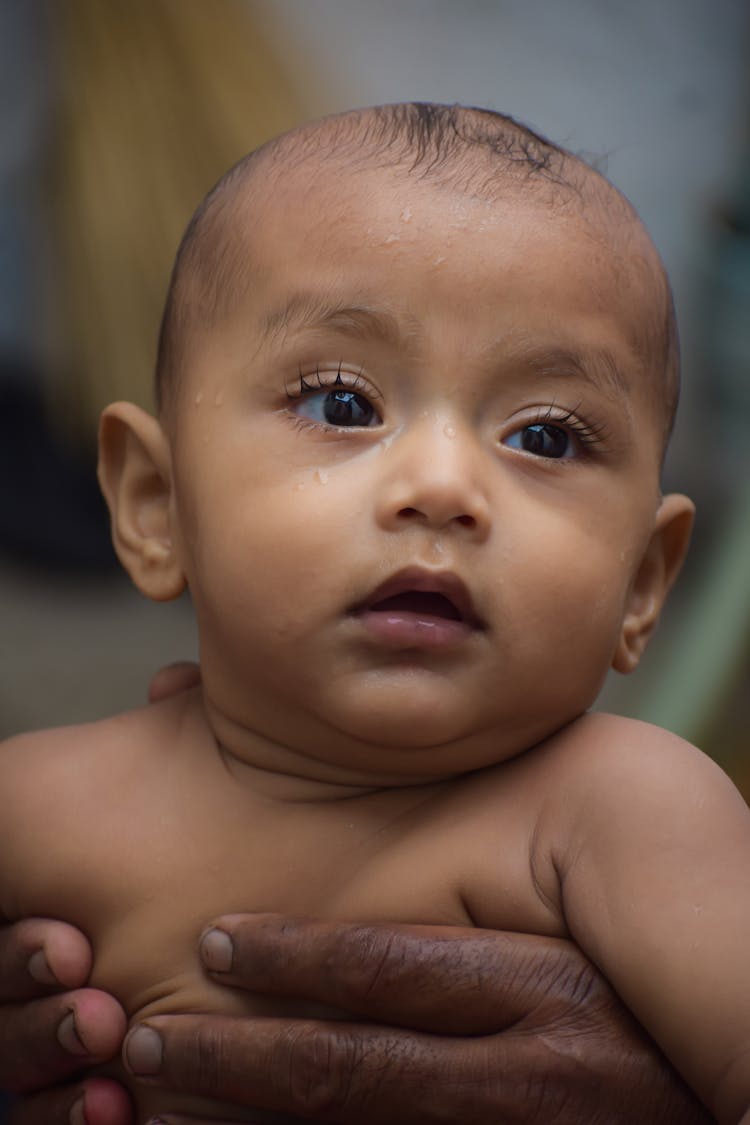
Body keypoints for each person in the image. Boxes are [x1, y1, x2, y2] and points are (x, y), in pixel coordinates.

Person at [1, 102, 748, 1122]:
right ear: (156, 507)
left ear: (644, 584)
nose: (442, 487)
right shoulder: (43, 806)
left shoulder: (627, 819)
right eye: (342, 404)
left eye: (545, 436)